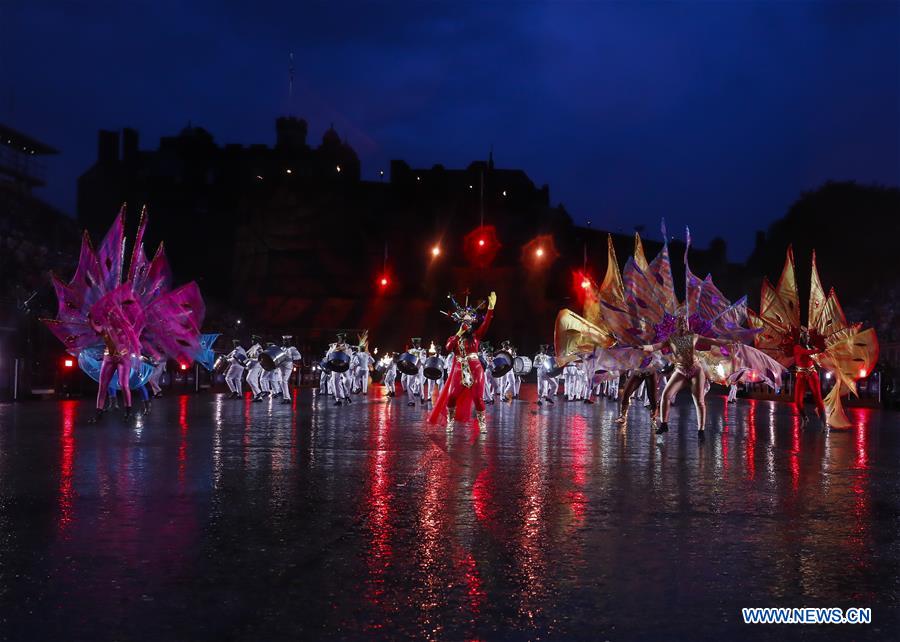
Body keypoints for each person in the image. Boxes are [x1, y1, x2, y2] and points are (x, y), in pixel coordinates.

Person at [642, 315, 735, 439]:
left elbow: (713, 341)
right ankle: (664, 424)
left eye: (685, 323)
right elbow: (655, 347)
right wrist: (642, 347)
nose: (684, 325)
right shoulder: (671, 339)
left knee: (699, 401)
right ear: (676, 325)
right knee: (666, 395)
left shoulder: (694, 337)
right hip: (680, 370)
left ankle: (701, 430)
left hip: (695, 370)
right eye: (681, 322)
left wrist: (728, 343)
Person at [429, 292, 496, 430]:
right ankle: (450, 422)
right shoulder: (454, 338)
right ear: (460, 323)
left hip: (476, 369)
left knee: (478, 398)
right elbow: (448, 347)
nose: (468, 324)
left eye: (470, 322)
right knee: (452, 397)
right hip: (459, 369)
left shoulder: (476, 336)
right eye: (465, 322)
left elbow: (486, 323)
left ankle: (482, 425)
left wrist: (490, 309)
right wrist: (458, 334)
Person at [793, 328, 826, 425]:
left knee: (818, 399)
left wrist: (821, 351)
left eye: (808, 336)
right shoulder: (797, 347)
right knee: (797, 401)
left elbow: (816, 356)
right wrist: (818, 350)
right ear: (801, 337)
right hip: (801, 375)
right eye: (805, 336)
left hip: (812, 373)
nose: (807, 338)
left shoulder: (810, 347)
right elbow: (806, 352)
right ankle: (804, 417)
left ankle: (824, 423)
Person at [277, 335, 302, 404]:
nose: (284, 342)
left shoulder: (292, 348)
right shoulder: (281, 348)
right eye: (284, 340)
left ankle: (287, 398)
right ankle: (286, 396)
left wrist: (290, 358)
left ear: (289, 341)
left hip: (288, 367)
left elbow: (299, 357)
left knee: (284, 381)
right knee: (281, 381)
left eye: (286, 340)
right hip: (281, 366)